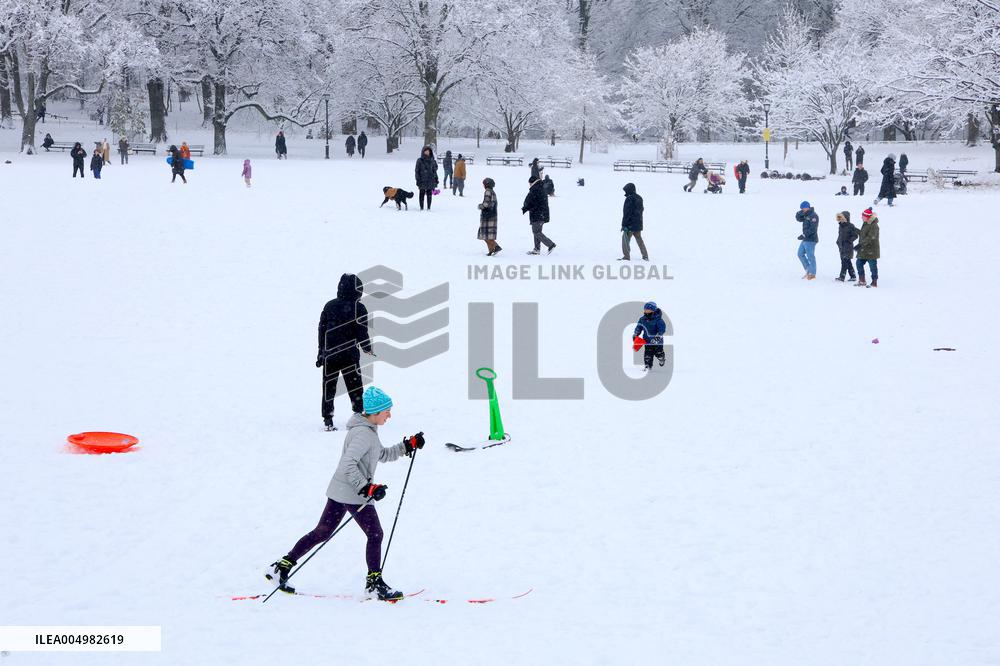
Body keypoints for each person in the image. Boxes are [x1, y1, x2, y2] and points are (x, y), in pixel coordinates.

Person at [266, 386, 425, 601]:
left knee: (322, 532)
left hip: (341, 490)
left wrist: (407, 446)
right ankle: (374, 583)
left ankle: (281, 567)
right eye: (387, 411)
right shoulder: (362, 434)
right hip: (352, 492)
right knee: (375, 534)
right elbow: (347, 464)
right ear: (376, 412)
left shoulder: (367, 431)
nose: (390, 415)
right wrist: (366, 487)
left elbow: (382, 454)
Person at [318, 274, 373, 430]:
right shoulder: (359, 308)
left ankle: (328, 419)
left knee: (329, 387)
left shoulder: (329, 306)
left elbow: (322, 331)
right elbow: (362, 332)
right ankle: (358, 415)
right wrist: (367, 348)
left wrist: (321, 352)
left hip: (330, 355)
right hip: (349, 355)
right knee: (355, 386)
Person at [522, 177, 555, 255]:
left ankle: (550, 244)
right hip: (541, 214)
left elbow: (531, 201)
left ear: (533, 182)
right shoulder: (540, 187)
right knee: (537, 231)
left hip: (538, 214)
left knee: (536, 232)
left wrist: (526, 207)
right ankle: (536, 249)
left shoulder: (535, 189)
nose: (529, 185)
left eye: (530, 183)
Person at [633, 302, 666, 371]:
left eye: (648, 309)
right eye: (645, 309)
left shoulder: (658, 320)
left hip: (657, 342)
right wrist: (636, 334)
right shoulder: (642, 319)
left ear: (653, 310)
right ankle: (647, 366)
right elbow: (639, 327)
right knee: (648, 355)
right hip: (647, 341)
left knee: (658, 353)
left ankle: (661, 358)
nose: (646, 310)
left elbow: (662, 329)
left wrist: (658, 337)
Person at [619, 182, 648, 261]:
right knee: (639, 239)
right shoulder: (639, 198)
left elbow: (627, 213)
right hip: (638, 223)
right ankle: (645, 256)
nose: (625, 192)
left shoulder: (629, 199)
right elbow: (641, 210)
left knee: (625, 239)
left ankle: (626, 256)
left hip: (630, 224)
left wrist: (624, 225)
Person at [855, 208, 880, 288]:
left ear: (867, 217)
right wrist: (854, 229)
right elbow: (863, 234)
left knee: (872, 267)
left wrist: (860, 245)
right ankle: (862, 280)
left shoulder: (874, 226)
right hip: (863, 250)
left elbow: (870, 237)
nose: (861, 218)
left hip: (871, 250)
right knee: (859, 263)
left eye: (863, 216)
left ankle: (874, 282)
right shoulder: (865, 223)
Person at [795, 201, 819, 280]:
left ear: (808, 207)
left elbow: (813, 229)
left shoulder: (813, 216)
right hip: (805, 239)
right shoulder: (806, 215)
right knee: (800, 254)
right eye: (801, 208)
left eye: (804, 208)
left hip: (811, 239)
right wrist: (799, 213)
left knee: (810, 256)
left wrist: (804, 235)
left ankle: (812, 274)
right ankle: (809, 270)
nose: (803, 209)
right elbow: (798, 219)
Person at [477, 177, 501, 256]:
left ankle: (496, 246)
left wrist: (480, 206)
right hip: (492, 215)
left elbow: (486, 204)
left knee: (485, 234)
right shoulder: (492, 192)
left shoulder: (487, 192)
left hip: (488, 216)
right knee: (488, 235)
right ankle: (491, 250)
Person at [835, 211, 859, 282]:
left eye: (842, 218)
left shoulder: (851, 226)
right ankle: (853, 276)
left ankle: (842, 277)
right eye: (840, 218)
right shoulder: (840, 226)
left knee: (844, 262)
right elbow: (840, 235)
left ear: (846, 218)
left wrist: (849, 240)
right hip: (841, 246)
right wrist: (837, 241)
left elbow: (855, 235)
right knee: (847, 262)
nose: (841, 220)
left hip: (848, 247)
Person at [414, 146, 439, 210]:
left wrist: (436, 179)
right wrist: (418, 179)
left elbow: (435, 171)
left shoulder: (432, 160)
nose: (427, 152)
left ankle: (428, 207)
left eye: (429, 151)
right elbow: (417, 171)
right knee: (421, 193)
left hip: (430, 180)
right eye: (426, 151)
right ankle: (421, 207)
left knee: (429, 194)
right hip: (422, 180)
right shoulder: (419, 160)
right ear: (423, 151)